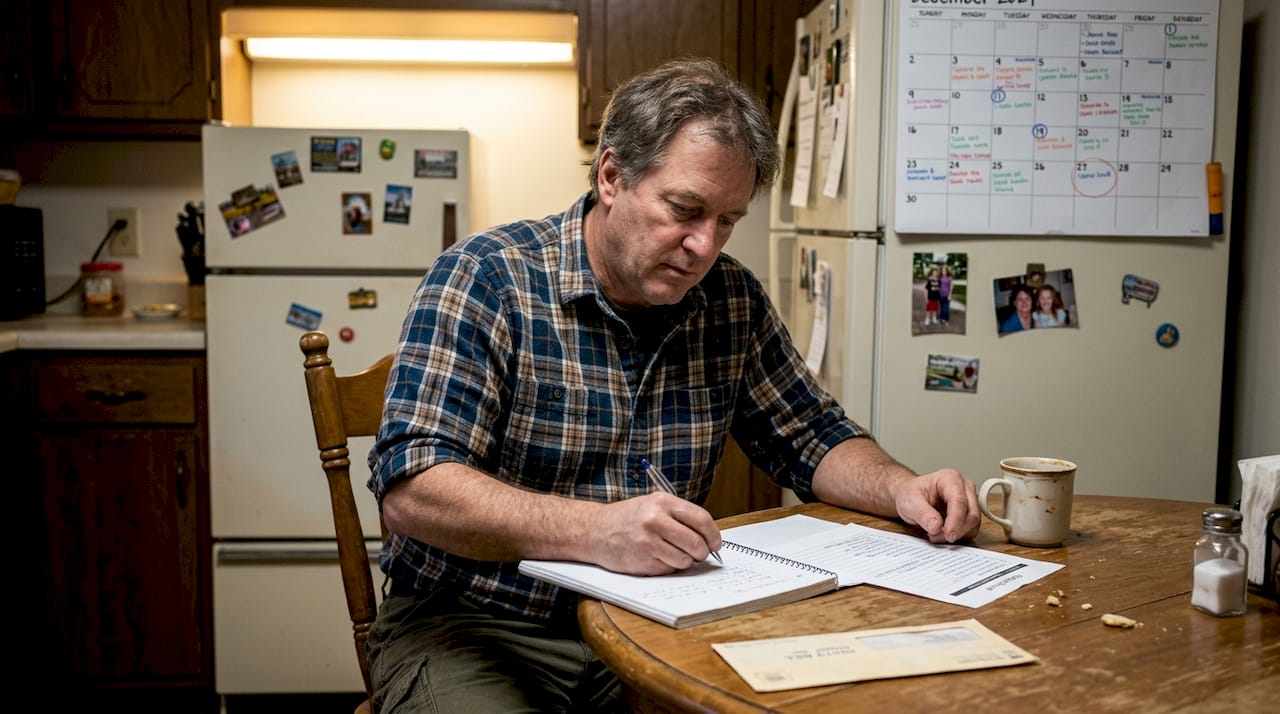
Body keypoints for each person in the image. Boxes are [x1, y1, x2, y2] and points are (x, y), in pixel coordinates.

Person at [365, 58, 980, 713]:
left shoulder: (730, 298)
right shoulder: (488, 278)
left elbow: (810, 434)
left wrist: (900, 488)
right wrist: (596, 532)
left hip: (665, 623)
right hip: (476, 625)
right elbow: (413, 490)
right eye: (685, 209)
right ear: (611, 176)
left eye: (727, 220)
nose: (704, 246)